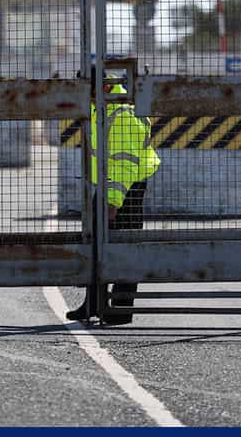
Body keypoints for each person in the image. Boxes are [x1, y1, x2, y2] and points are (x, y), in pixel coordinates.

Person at [66, 77, 160, 325]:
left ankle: (120, 309)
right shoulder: (104, 109)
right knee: (96, 241)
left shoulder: (122, 114)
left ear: (104, 87)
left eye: (88, 88)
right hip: (112, 185)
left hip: (125, 188)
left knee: (126, 246)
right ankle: (93, 304)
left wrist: (113, 202)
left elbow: (124, 164)